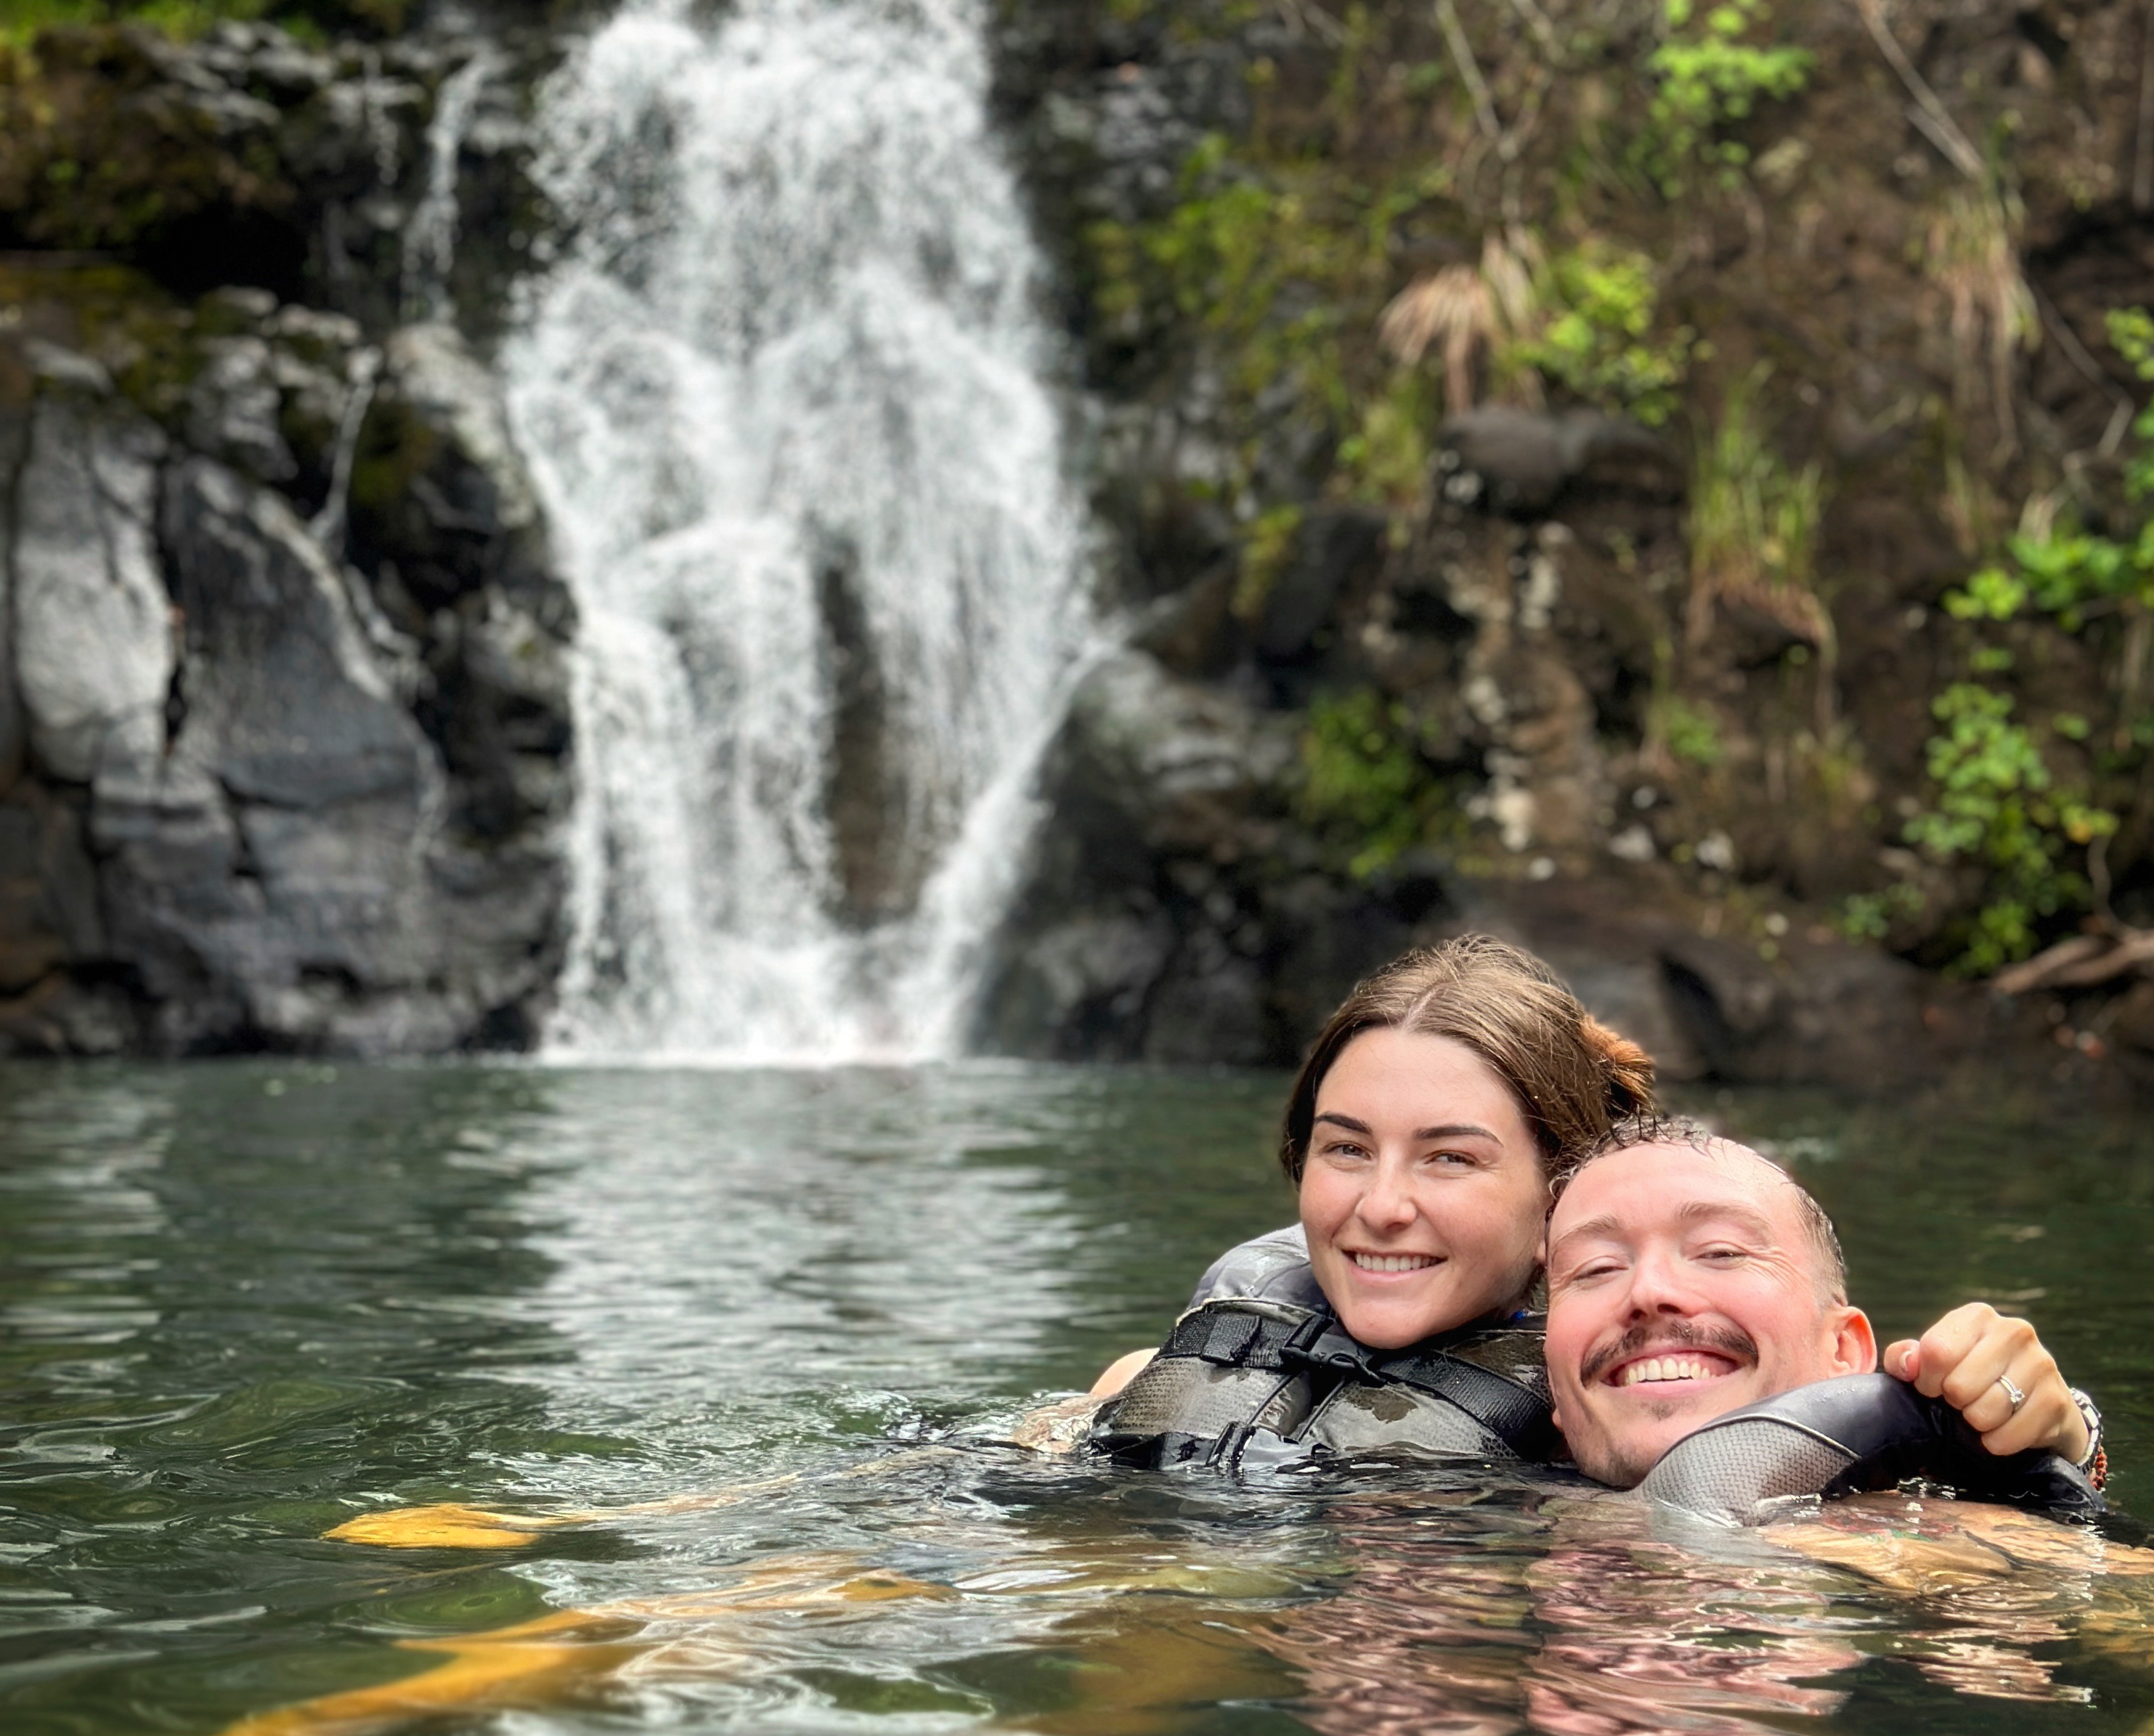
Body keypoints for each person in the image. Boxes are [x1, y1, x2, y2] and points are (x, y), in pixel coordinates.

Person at [1090, 936, 2099, 1483]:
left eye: (1449, 1156)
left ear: (1556, 1199)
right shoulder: (1166, 1365)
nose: (1379, 1204)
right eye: (1344, 1146)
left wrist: (2055, 1443)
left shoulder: (1615, 1406)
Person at [1543, 1116, 2101, 1497]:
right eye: (1597, 1268)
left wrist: (2055, 1458)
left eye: (1721, 1251)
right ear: (1555, 1396)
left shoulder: (1941, 1544)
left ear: (1842, 1350)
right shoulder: (1471, 1523)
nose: (1649, 1291)